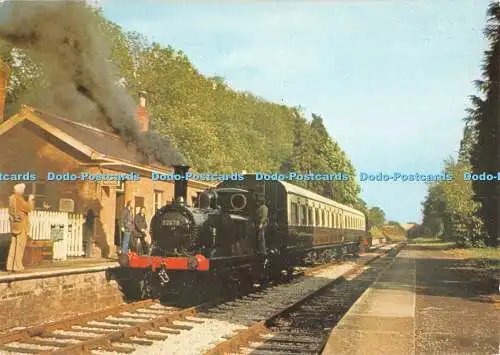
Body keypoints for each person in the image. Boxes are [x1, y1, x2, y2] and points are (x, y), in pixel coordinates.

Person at [6, 183, 34, 272]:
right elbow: (29, 208)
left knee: (13, 246)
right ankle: (17, 266)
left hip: (14, 225)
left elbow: (11, 213)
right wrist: (30, 200)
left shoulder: (11, 199)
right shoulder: (19, 198)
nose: (23, 191)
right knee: (20, 247)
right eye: (23, 189)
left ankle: (10, 265)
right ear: (20, 190)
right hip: (21, 226)